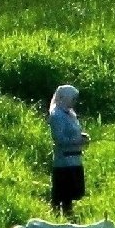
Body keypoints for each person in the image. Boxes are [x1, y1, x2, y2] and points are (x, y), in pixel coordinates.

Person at [47, 84, 89, 216]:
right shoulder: (56, 115)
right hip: (63, 160)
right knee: (63, 191)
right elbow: (59, 139)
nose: (75, 102)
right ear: (64, 97)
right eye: (73, 98)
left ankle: (68, 215)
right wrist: (77, 141)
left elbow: (72, 132)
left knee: (71, 192)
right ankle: (58, 216)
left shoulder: (70, 114)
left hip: (75, 158)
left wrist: (82, 136)